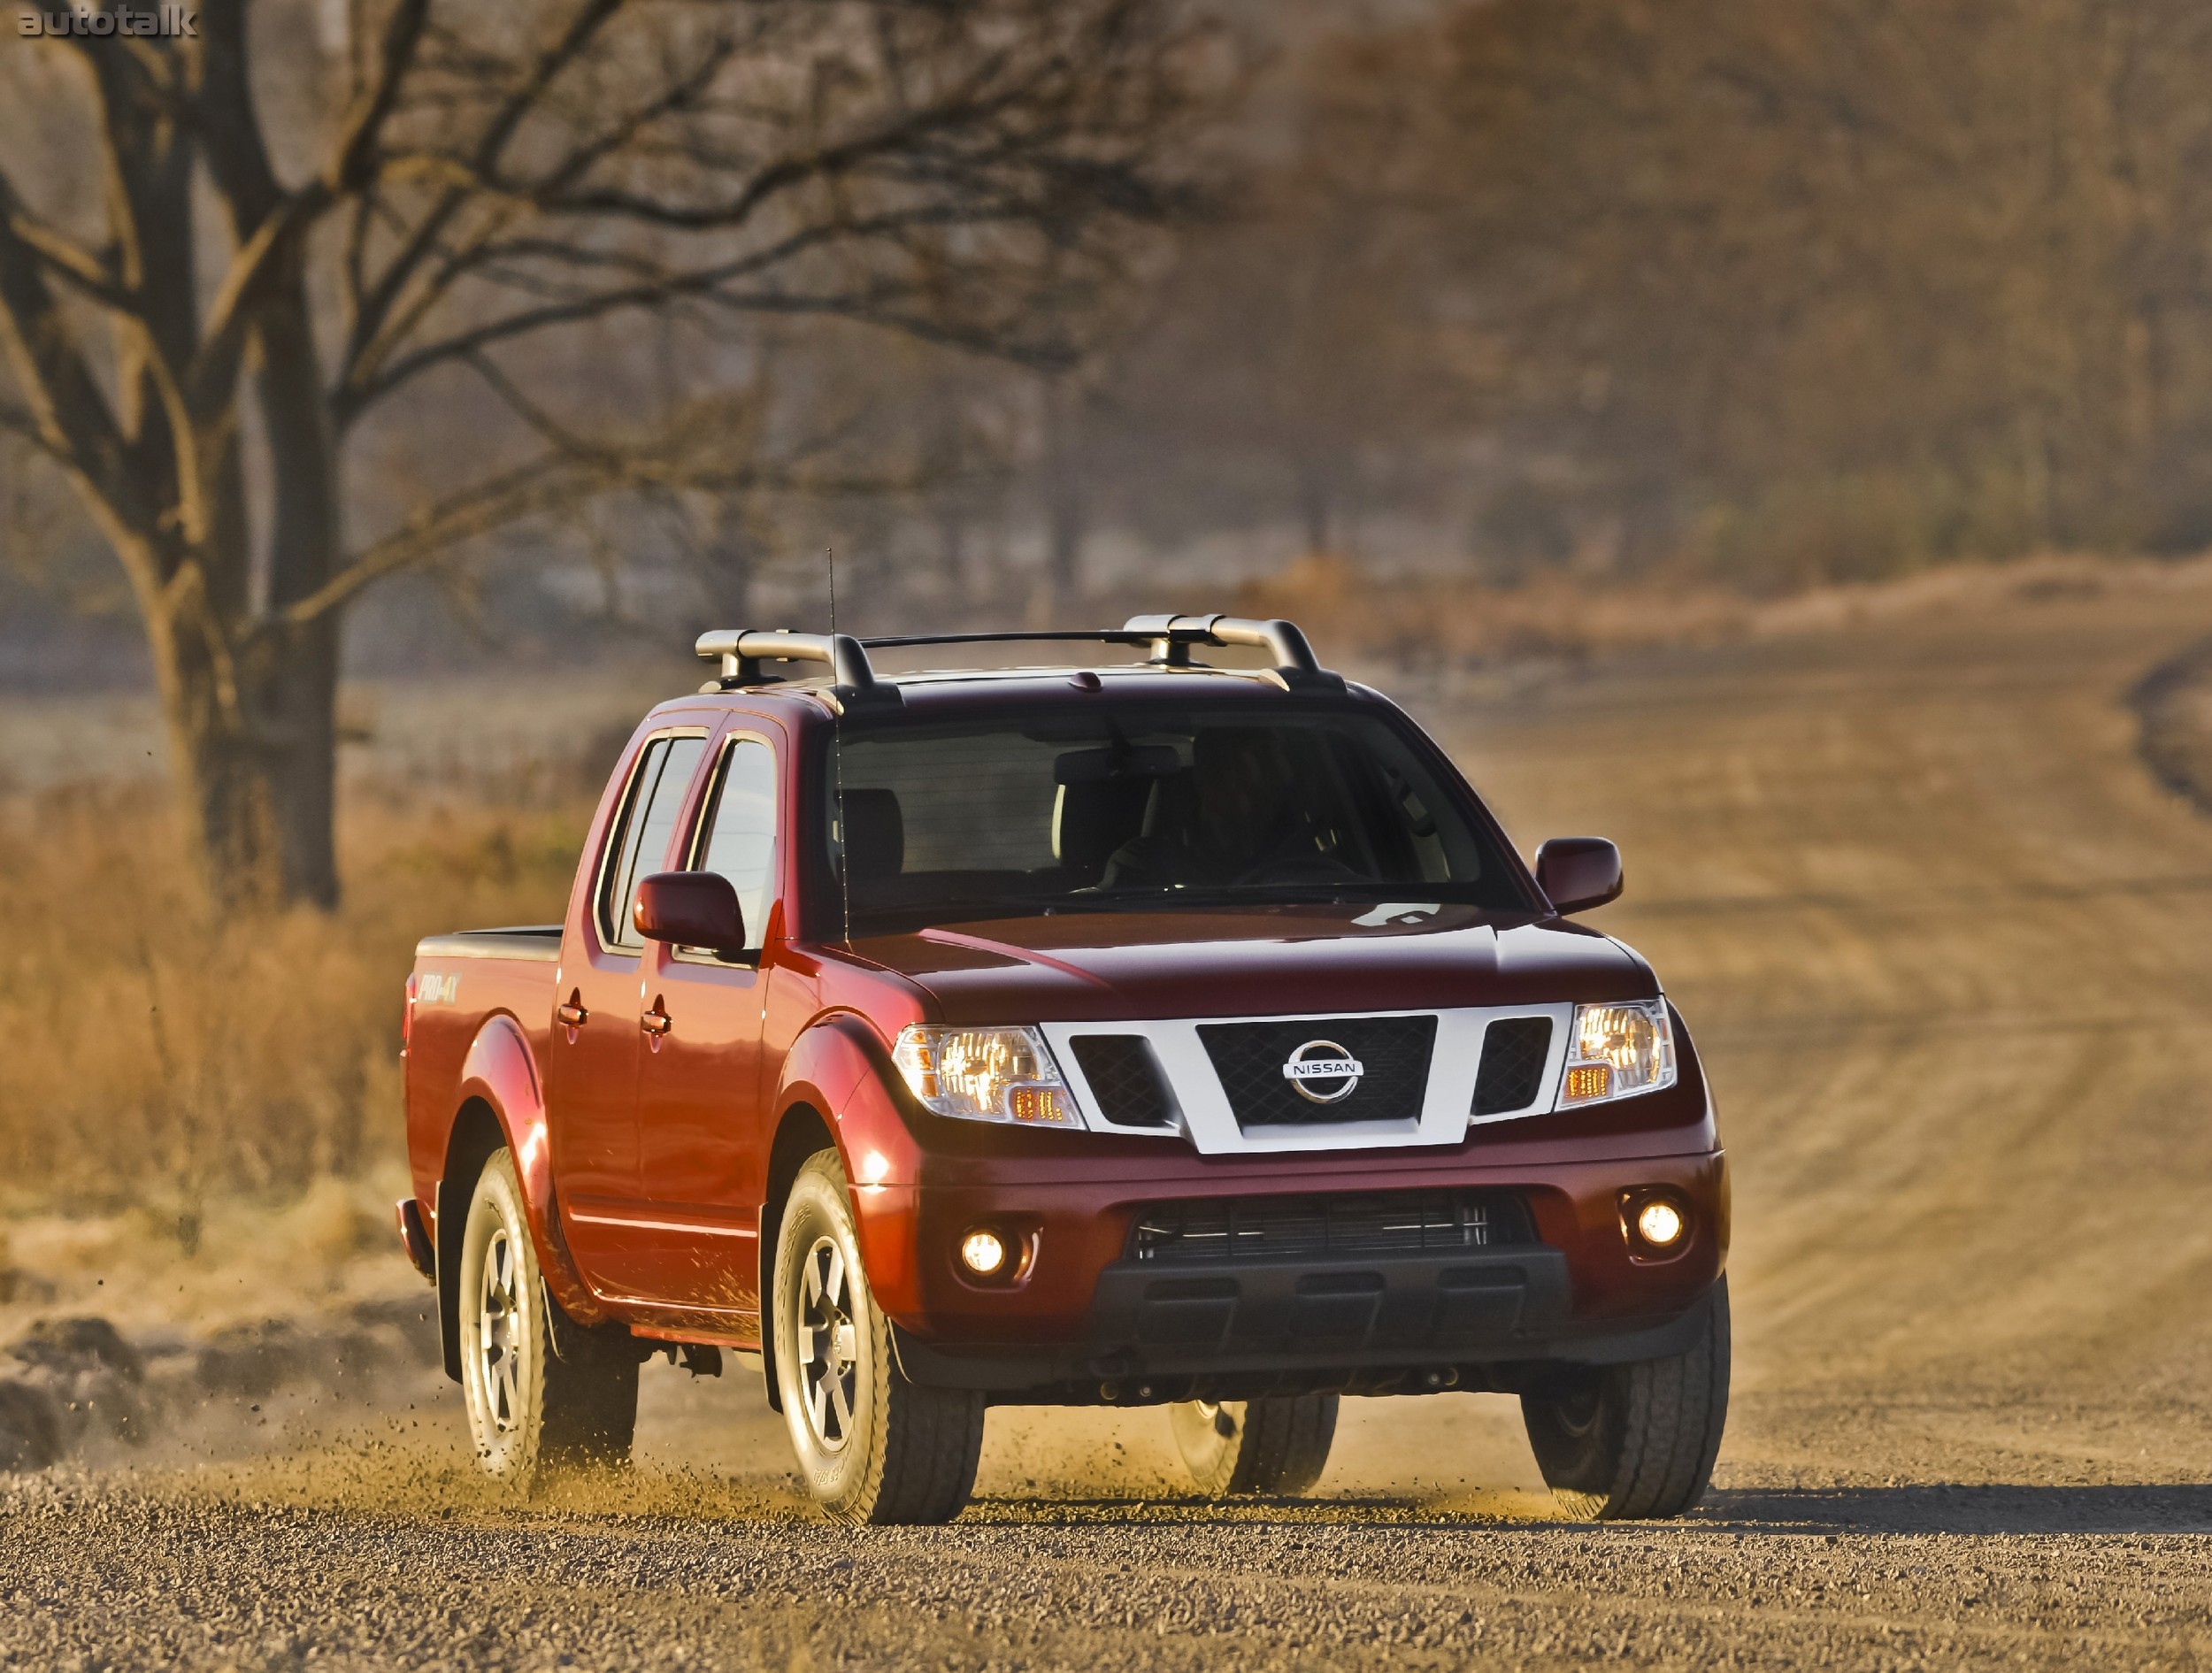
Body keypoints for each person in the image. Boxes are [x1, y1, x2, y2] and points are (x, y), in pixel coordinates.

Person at [1099, 727, 1362, 890]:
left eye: (1269, 779)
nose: (1249, 798)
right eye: (1237, 778)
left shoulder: (1323, 873)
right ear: (1205, 780)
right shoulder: (1143, 865)